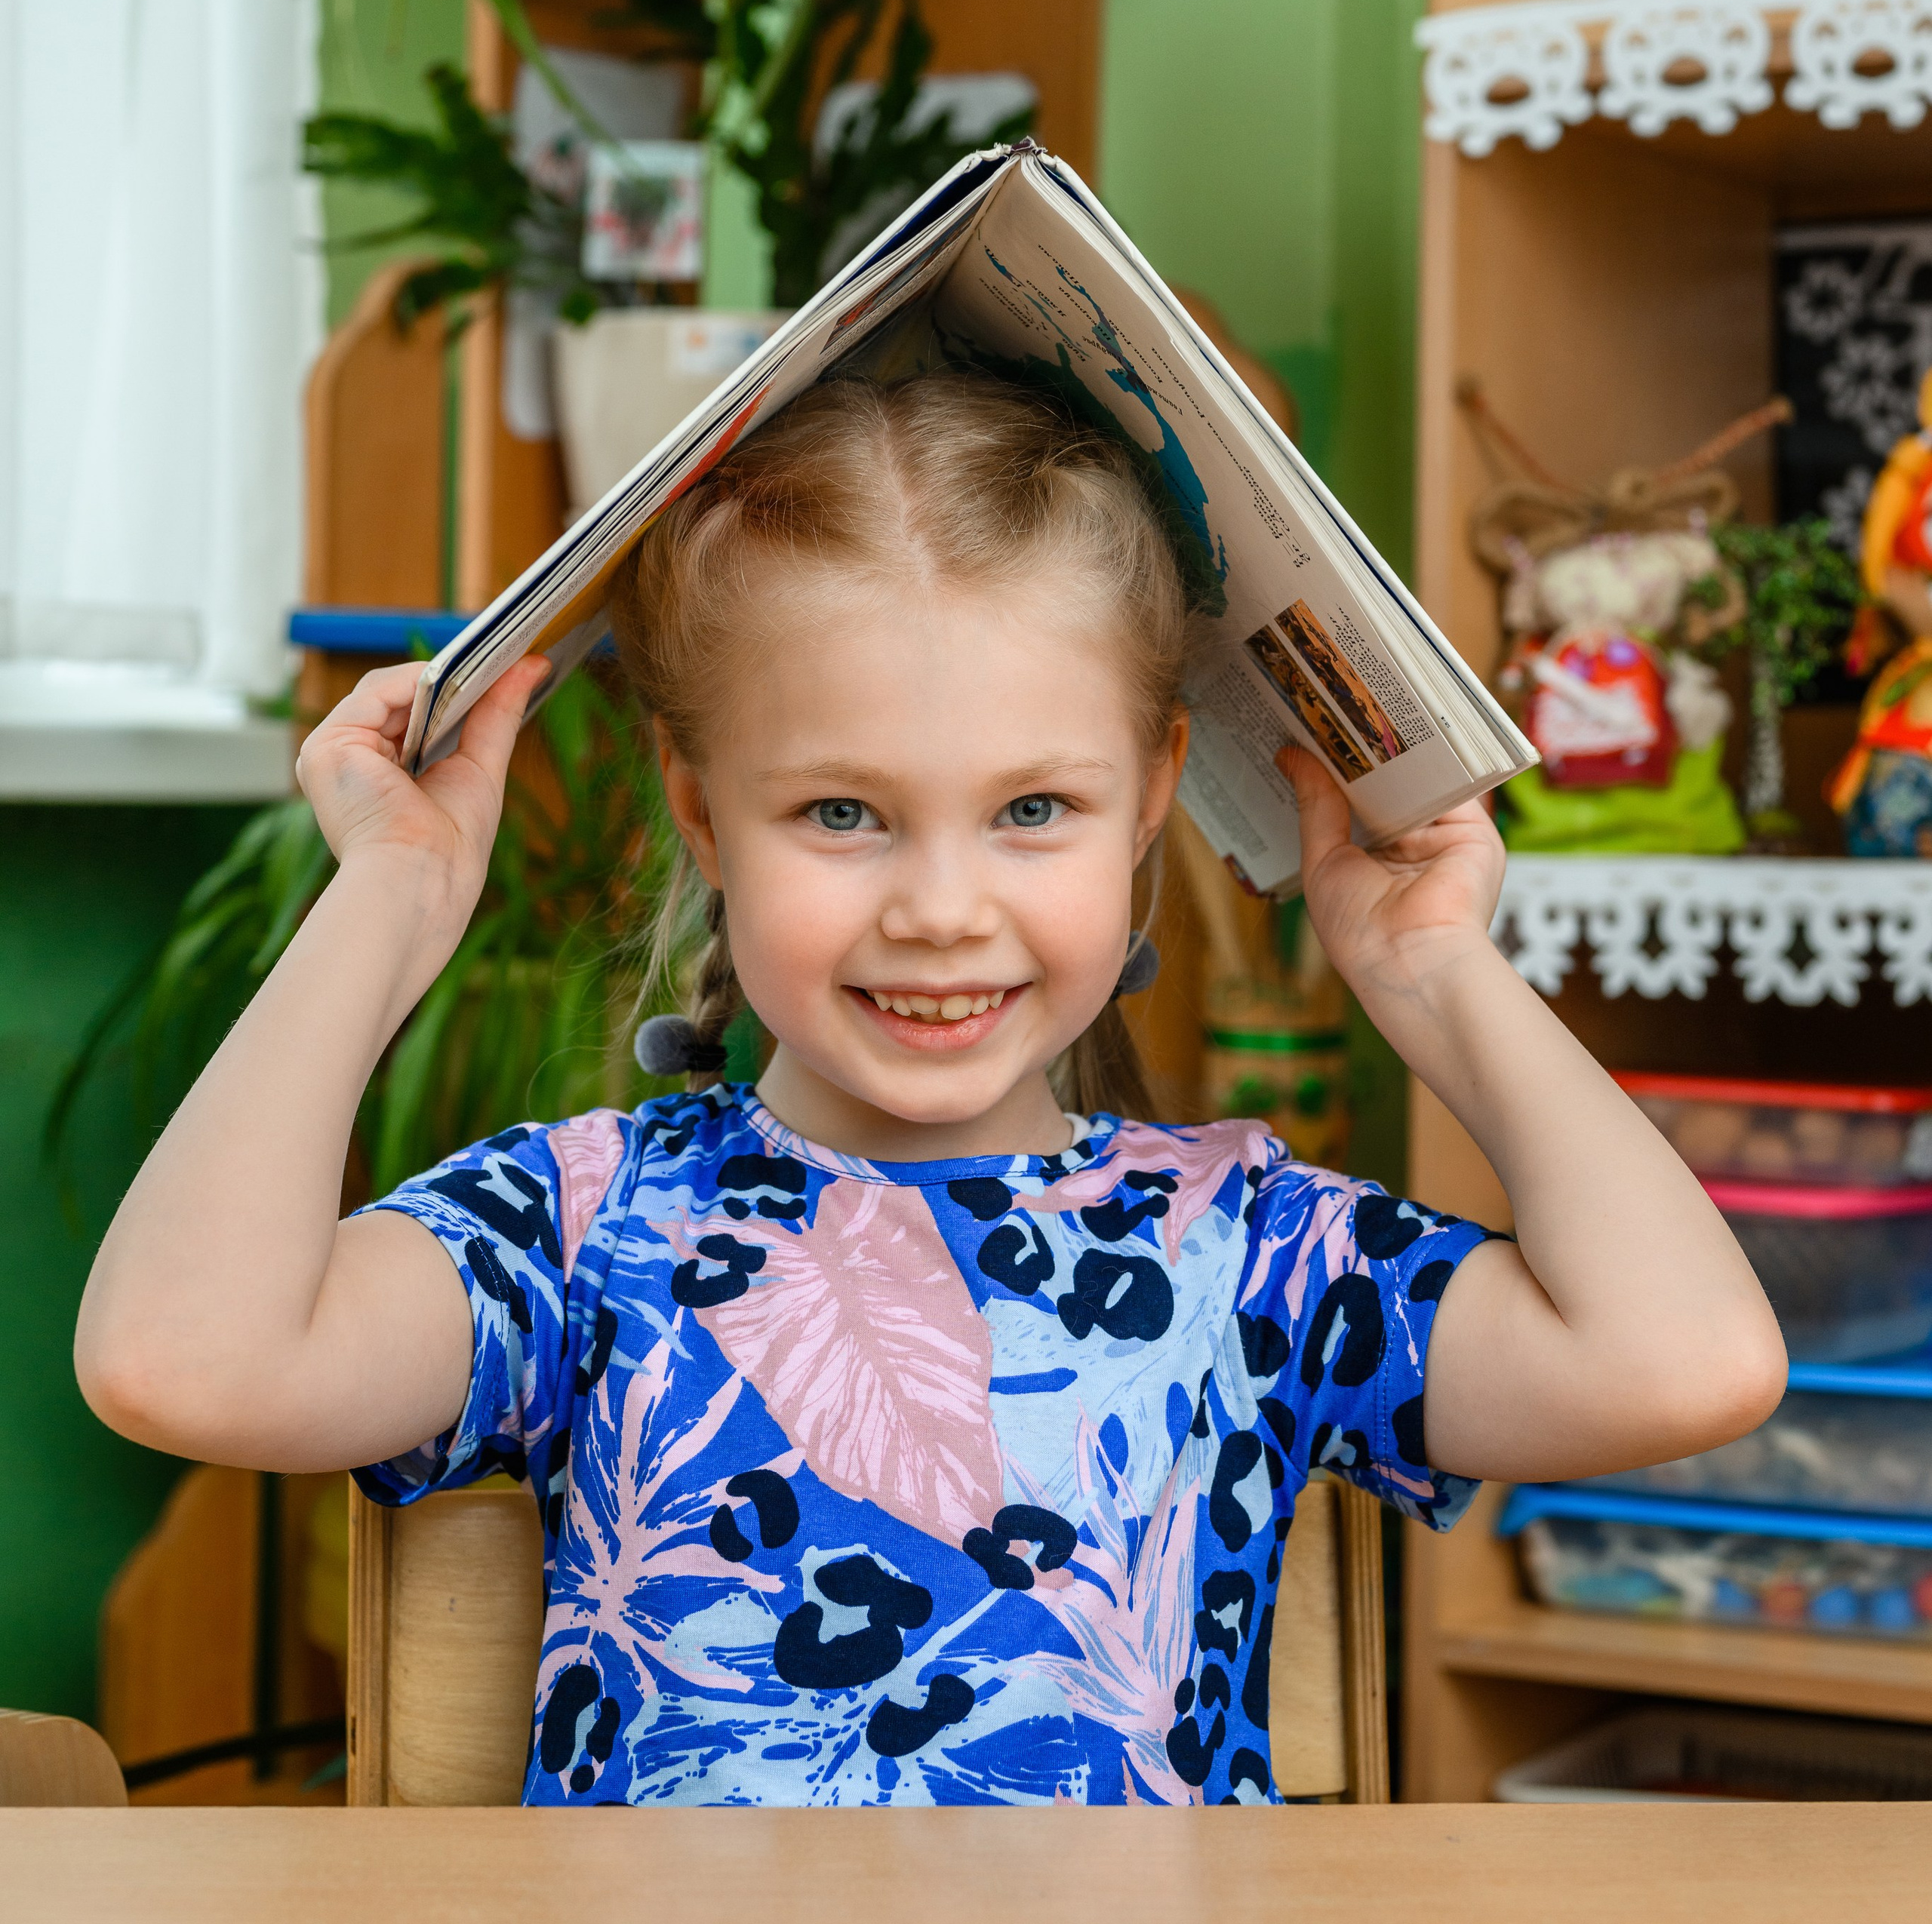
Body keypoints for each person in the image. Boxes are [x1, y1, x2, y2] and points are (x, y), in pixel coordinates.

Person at [75, 375, 1784, 1805]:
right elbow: (181, 1360)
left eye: (1033, 808)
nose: (940, 905)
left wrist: (1435, 976)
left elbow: (1683, 1364)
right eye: (841, 813)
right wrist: (390, 895)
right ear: (699, 810)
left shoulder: (1246, 1247)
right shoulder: (590, 1223)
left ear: (1150, 801)